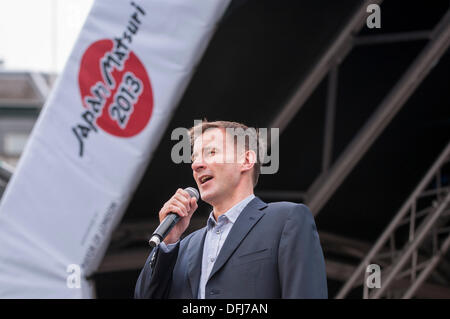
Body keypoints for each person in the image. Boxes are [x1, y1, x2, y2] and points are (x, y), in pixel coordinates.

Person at [134, 120, 328, 298]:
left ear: (246, 160)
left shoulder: (285, 220)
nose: (196, 164)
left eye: (211, 152)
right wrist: (168, 241)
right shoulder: (183, 248)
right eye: (194, 158)